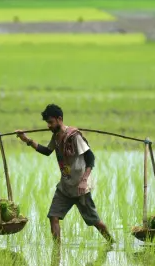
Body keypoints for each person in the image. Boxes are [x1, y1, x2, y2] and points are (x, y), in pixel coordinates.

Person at [16, 104, 114, 244]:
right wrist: (27, 140)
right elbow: (47, 151)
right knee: (53, 216)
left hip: (80, 188)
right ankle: (56, 250)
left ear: (59, 119)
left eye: (50, 122)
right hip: (65, 187)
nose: (48, 126)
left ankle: (111, 242)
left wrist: (84, 180)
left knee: (94, 221)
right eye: (47, 123)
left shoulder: (74, 137)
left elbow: (90, 158)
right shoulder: (56, 137)